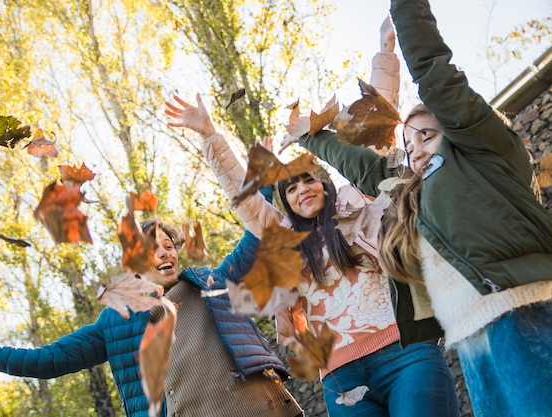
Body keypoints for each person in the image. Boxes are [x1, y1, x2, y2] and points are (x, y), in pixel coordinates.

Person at [164, 20, 459, 417]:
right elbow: (243, 193)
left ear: (324, 184)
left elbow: (375, 129)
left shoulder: (358, 203)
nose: (302, 189)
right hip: (342, 379)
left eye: (309, 181)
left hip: (406, 353)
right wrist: (209, 134)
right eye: (290, 188)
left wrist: (386, 51)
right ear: (283, 200)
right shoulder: (281, 236)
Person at [283, 2, 552, 416]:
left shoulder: (481, 154)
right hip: (472, 336)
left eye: (427, 136)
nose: (417, 151)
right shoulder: (415, 193)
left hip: (523, 309)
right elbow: (367, 165)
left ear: (456, 130)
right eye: (410, 147)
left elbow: (432, 74)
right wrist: (310, 138)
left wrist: (402, 18)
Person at [0, 217, 303, 417]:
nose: (165, 253)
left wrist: (264, 181)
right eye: (153, 249)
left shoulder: (213, 283)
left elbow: (258, 232)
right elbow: (48, 360)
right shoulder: (116, 322)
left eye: (169, 246)